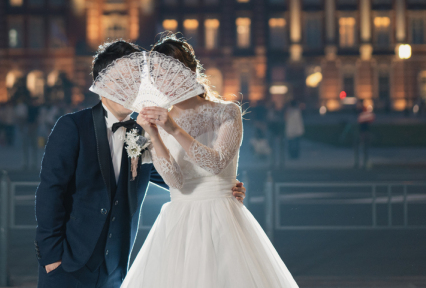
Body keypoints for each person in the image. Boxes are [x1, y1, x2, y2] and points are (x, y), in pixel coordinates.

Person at [34, 39, 247, 288]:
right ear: (102, 84)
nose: (131, 87)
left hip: (114, 266)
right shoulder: (72, 127)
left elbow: (175, 176)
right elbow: (51, 191)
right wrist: (51, 257)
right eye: (123, 80)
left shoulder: (143, 133)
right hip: (69, 262)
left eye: (137, 79)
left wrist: (224, 186)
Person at [124, 36, 298, 288]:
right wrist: (153, 134)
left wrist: (173, 129)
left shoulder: (226, 112)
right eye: (158, 75)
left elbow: (215, 164)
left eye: (171, 72)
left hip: (222, 216)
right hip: (179, 221)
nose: (164, 81)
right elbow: (174, 181)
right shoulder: (159, 121)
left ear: (191, 71)